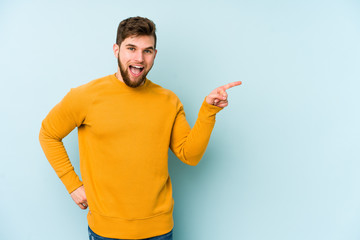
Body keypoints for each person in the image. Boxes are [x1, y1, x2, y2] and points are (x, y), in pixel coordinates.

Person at [39, 16, 241, 240]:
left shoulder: (169, 100)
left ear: (154, 54)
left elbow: (189, 155)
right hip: (106, 232)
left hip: (159, 231)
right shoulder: (85, 97)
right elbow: (48, 134)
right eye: (131, 48)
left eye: (147, 50)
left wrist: (208, 112)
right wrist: (72, 185)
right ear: (116, 50)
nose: (139, 58)